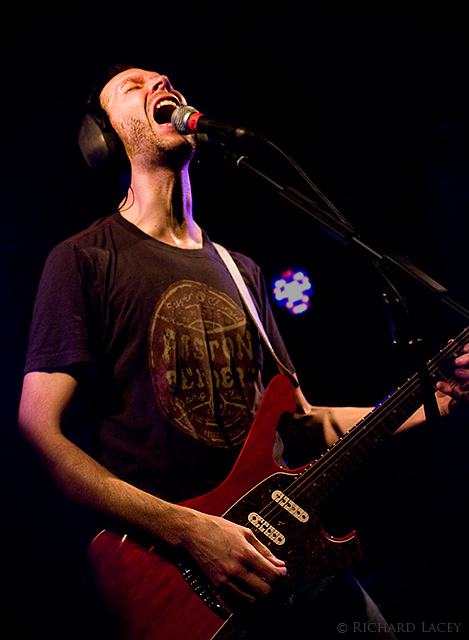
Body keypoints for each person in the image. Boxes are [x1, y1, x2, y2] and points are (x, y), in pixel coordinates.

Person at [18, 65, 469, 639]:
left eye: (165, 81)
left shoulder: (241, 270)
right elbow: (38, 431)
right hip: (178, 579)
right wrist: (191, 531)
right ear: (103, 139)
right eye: (134, 87)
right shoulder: (83, 258)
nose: (161, 86)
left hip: (292, 562)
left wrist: (436, 402)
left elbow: (304, 425)